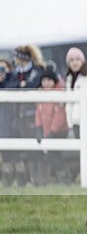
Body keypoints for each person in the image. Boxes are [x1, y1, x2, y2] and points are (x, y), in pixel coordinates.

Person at [9, 45, 45, 186]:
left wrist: (23, 85)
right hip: (19, 114)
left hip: (32, 113)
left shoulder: (36, 70)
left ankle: (39, 178)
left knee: (34, 145)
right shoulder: (16, 71)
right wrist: (21, 85)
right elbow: (13, 86)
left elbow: (31, 85)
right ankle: (29, 178)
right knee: (24, 147)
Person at [34, 66, 71, 185]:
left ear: (54, 81)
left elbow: (60, 115)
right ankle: (61, 178)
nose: (46, 83)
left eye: (49, 80)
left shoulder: (59, 93)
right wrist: (39, 128)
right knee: (53, 155)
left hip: (59, 130)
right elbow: (38, 112)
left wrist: (52, 131)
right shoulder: (40, 95)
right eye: (44, 80)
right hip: (47, 130)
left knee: (55, 155)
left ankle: (65, 178)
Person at [64, 47, 87, 139]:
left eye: (77, 59)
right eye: (71, 60)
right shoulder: (69, 78)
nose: (74, 63)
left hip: (86, 119)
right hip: (74, 119)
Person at [0, 57, 20, 186]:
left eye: (4, 68)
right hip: (2, 121)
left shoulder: (13, 78)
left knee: (16, 152)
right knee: (5, 153)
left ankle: (21, 179)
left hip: (13, 119)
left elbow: (13, 87)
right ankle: (7, 180)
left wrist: (6, 77)